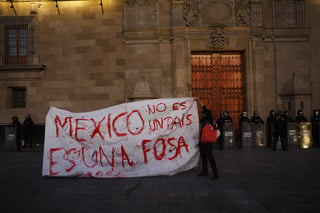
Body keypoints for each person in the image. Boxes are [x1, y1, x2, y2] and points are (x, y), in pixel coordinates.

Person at [198, 104, 219, 180]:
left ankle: (216, 174)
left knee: (210, 158)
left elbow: (207, 112)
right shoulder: (203, 120)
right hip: (202, 141)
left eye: (204, 113)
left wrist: (199, 101)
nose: (202, 114)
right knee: (203, 157)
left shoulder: (210, 119)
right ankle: (205, 171)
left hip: (207, 142)